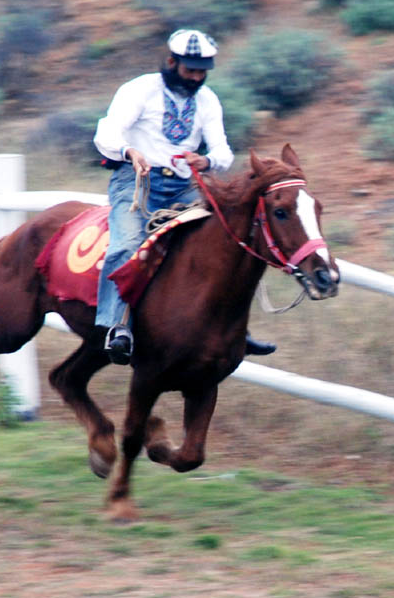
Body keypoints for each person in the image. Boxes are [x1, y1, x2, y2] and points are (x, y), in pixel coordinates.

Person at [92, 28, 276, 364]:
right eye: (190, 69)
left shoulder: (208, 100)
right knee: (126, 244)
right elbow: (107, 131)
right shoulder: (140, 90)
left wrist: (206, 160)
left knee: (231, 241)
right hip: (136, 182)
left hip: (184, 185)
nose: (196, 77)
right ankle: (116, 326)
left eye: (202, 71)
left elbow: (223, 150)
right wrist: (129, 151)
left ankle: (234, 328)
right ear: (171, 61)